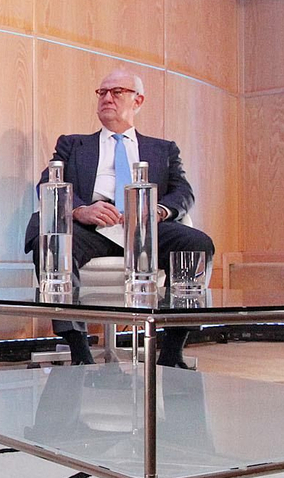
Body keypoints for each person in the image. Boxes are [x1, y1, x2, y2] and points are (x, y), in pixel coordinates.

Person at [23, 66, 215, 367]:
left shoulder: (163, 149)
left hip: (145, 229)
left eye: (117, 92)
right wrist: (81, 210)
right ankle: (79, 351)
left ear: (138, 100)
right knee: (54, 244)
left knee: (196, 243)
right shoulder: (72, 145)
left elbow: (183, 191)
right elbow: (48, 183)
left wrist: (157, 210)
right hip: (91, 228)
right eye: (102, 92)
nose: (107, 98)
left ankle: (173, 349)